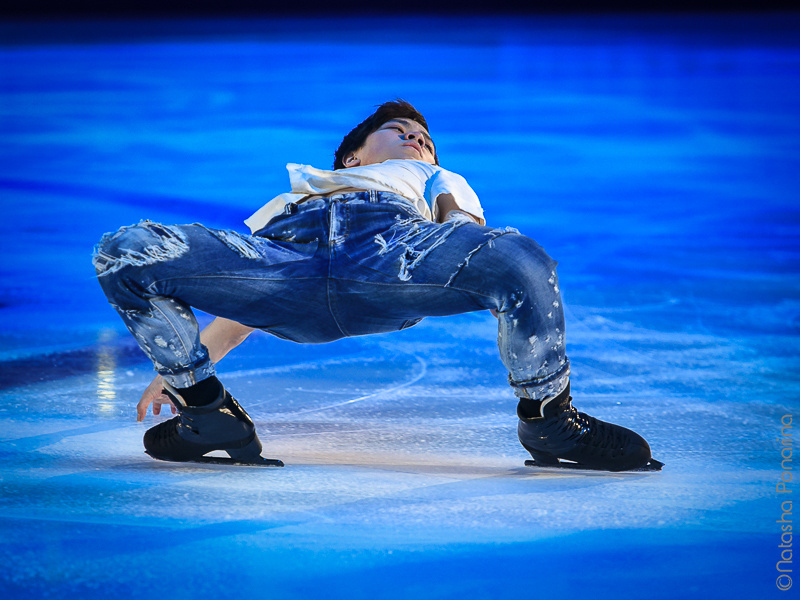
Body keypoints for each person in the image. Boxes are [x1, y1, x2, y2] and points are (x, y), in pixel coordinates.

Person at [92, 99, 661, 472]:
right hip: (287, 264)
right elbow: (244, 300)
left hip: (390, 257)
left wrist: (470, 261)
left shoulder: (433, 176)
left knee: (518, 253)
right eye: (400, 131)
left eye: (425, 138)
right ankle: (205, 411)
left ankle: (550, 420)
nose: (417, 140)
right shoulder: (302, 191)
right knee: (128, 251)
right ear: (354, 154)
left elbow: (463, 230)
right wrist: (177, 367)